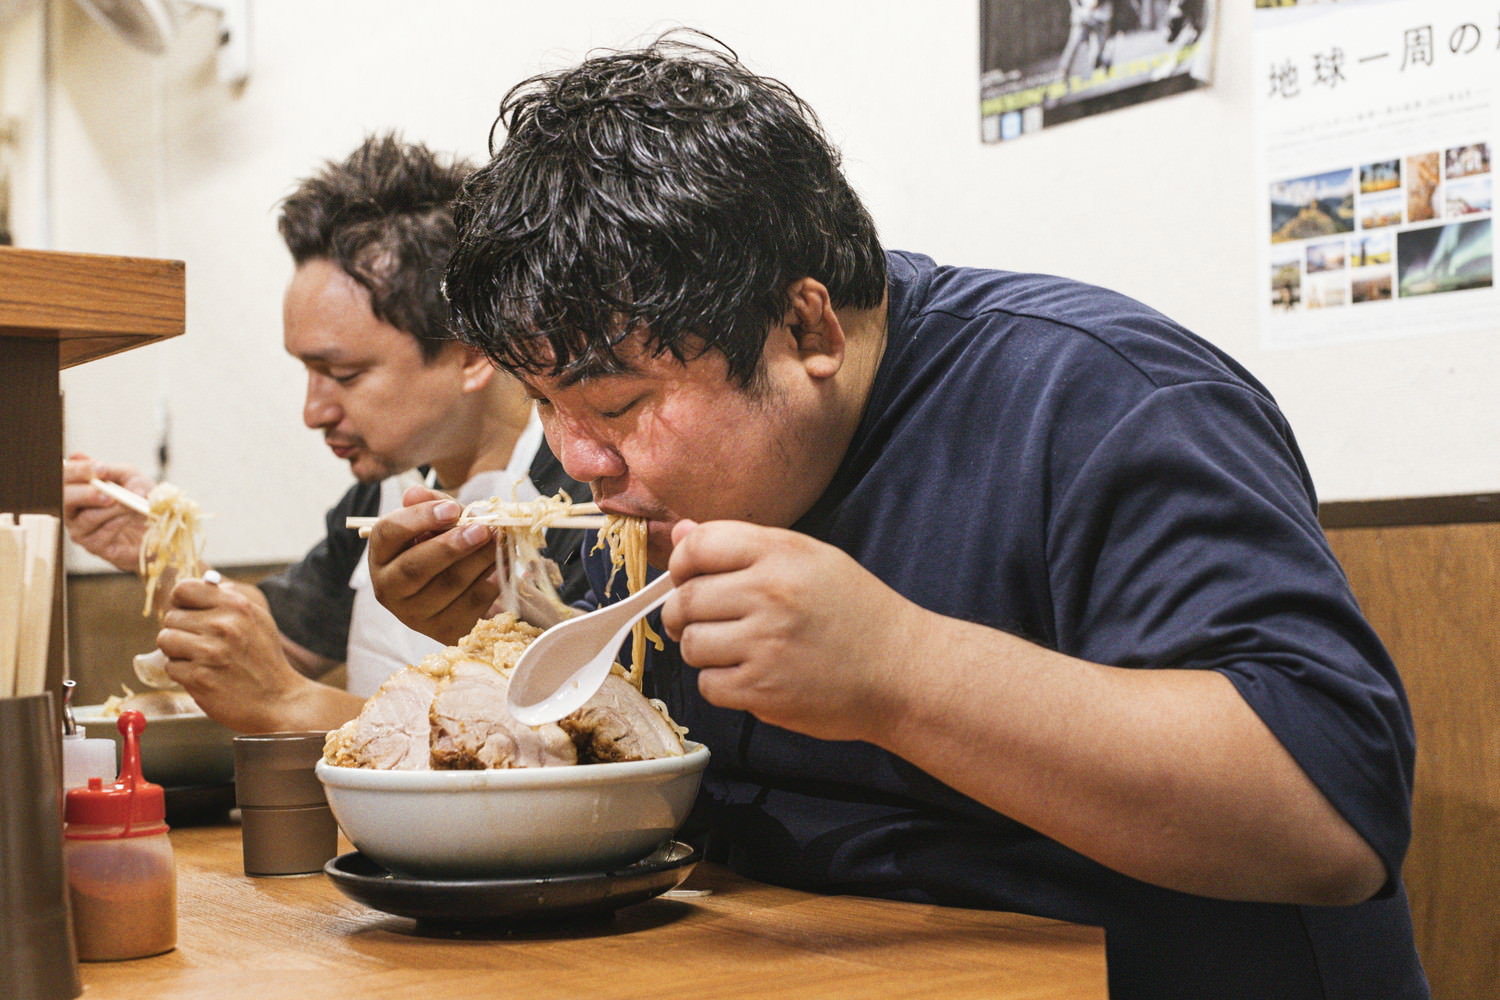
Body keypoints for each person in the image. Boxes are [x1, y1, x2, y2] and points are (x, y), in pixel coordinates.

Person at [365, 35, 1427, 999]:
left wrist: (899, 671)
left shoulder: (1102, 398)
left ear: (804, 326)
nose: (575, 457)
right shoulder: (631, 488)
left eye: (620, 404)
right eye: (544, 403)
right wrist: (493, 623)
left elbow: (1332, 819)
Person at [63, 134, 589, 733]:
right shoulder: (388, 489)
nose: (313, 412)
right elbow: (273, 648)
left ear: (471, 357)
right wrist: (163, 553)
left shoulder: (584, 491)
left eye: (344, 373)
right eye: (307, 371)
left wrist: (294, 702)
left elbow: (578, 737)